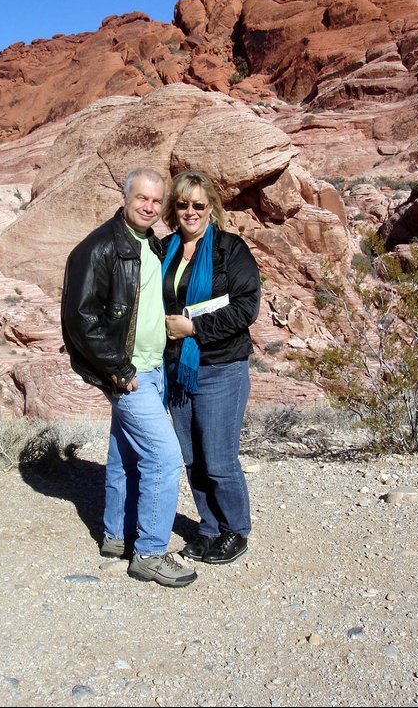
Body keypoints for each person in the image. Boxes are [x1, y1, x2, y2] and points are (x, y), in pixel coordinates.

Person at [61, 167, 197, 588]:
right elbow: (80, 318)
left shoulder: (149, 244)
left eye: (157, 201)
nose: (149, 207)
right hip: (130, 374)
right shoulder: (99, 248)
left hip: (153, 369)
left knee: (124, 454)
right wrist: (118, 369)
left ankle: (117, 536)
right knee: (165, 456)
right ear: (125, 197)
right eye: (142, 198)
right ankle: (151, 553)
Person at [161, 170, 261, 564]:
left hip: (221, 367)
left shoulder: (229, 250)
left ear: (211, 208)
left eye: (198, 204)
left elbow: (245, 308)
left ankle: (236, 530)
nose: (190, 211)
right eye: (183, 203)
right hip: (179, 370)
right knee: (192, 457)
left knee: (218, 459)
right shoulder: (165, 249)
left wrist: (193, 327)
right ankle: (208, 528)